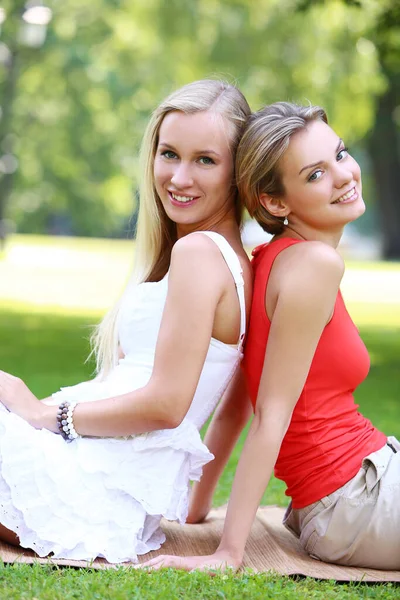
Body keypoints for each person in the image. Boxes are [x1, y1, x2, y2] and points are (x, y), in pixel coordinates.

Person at [0, 79, 253, 563]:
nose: (178, 177)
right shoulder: (220, 256)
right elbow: (230, 403)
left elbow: (167, 405)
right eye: (169, 153)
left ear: (237, 173)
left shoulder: (201, 253)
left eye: (205, 160)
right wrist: (196, 508)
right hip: (92, 475)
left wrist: (44, 416)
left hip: (88, 485)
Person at [141, 102, 400, 572]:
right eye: (316, 174)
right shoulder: (314, 267)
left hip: (365, 478)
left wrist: (199, 507)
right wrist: (228, 554)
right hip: (352, 502)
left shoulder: (270, 258)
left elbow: (241, 401)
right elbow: (270, 416)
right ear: (275, 202)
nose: (344, 176)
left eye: (340, 155)